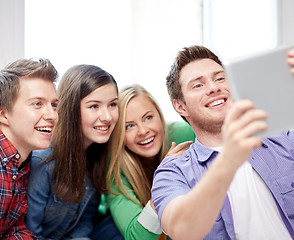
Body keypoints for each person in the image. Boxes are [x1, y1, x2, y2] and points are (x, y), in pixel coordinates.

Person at [151, 34, 294, 239]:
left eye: (220, 78)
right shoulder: (172, 172)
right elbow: (182, 229)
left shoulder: (285, 142)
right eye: (198, 84)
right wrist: (229, 159)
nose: (214, 88)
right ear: (181, 106)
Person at [24, 64, 119, 239]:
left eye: (113, 104)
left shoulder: (96, 154)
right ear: (71, 109)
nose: (107, 116)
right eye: (94, 106)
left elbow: (84, 221)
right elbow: (30, 232)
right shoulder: (42, 160)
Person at [91, 84, 192, 240]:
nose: (143, 131)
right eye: (129, 126)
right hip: (118, 229)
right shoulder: (114, 168)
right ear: (119, 135)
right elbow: (136, 237)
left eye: (148, 118)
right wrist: (164, 182)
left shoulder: (186, 135)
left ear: (159, 115)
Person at [0, 58, 58, 239]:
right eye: (37, 104)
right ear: (3, 114)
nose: (52, 115)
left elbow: (13, 230)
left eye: (54, 105)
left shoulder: (21, 161)